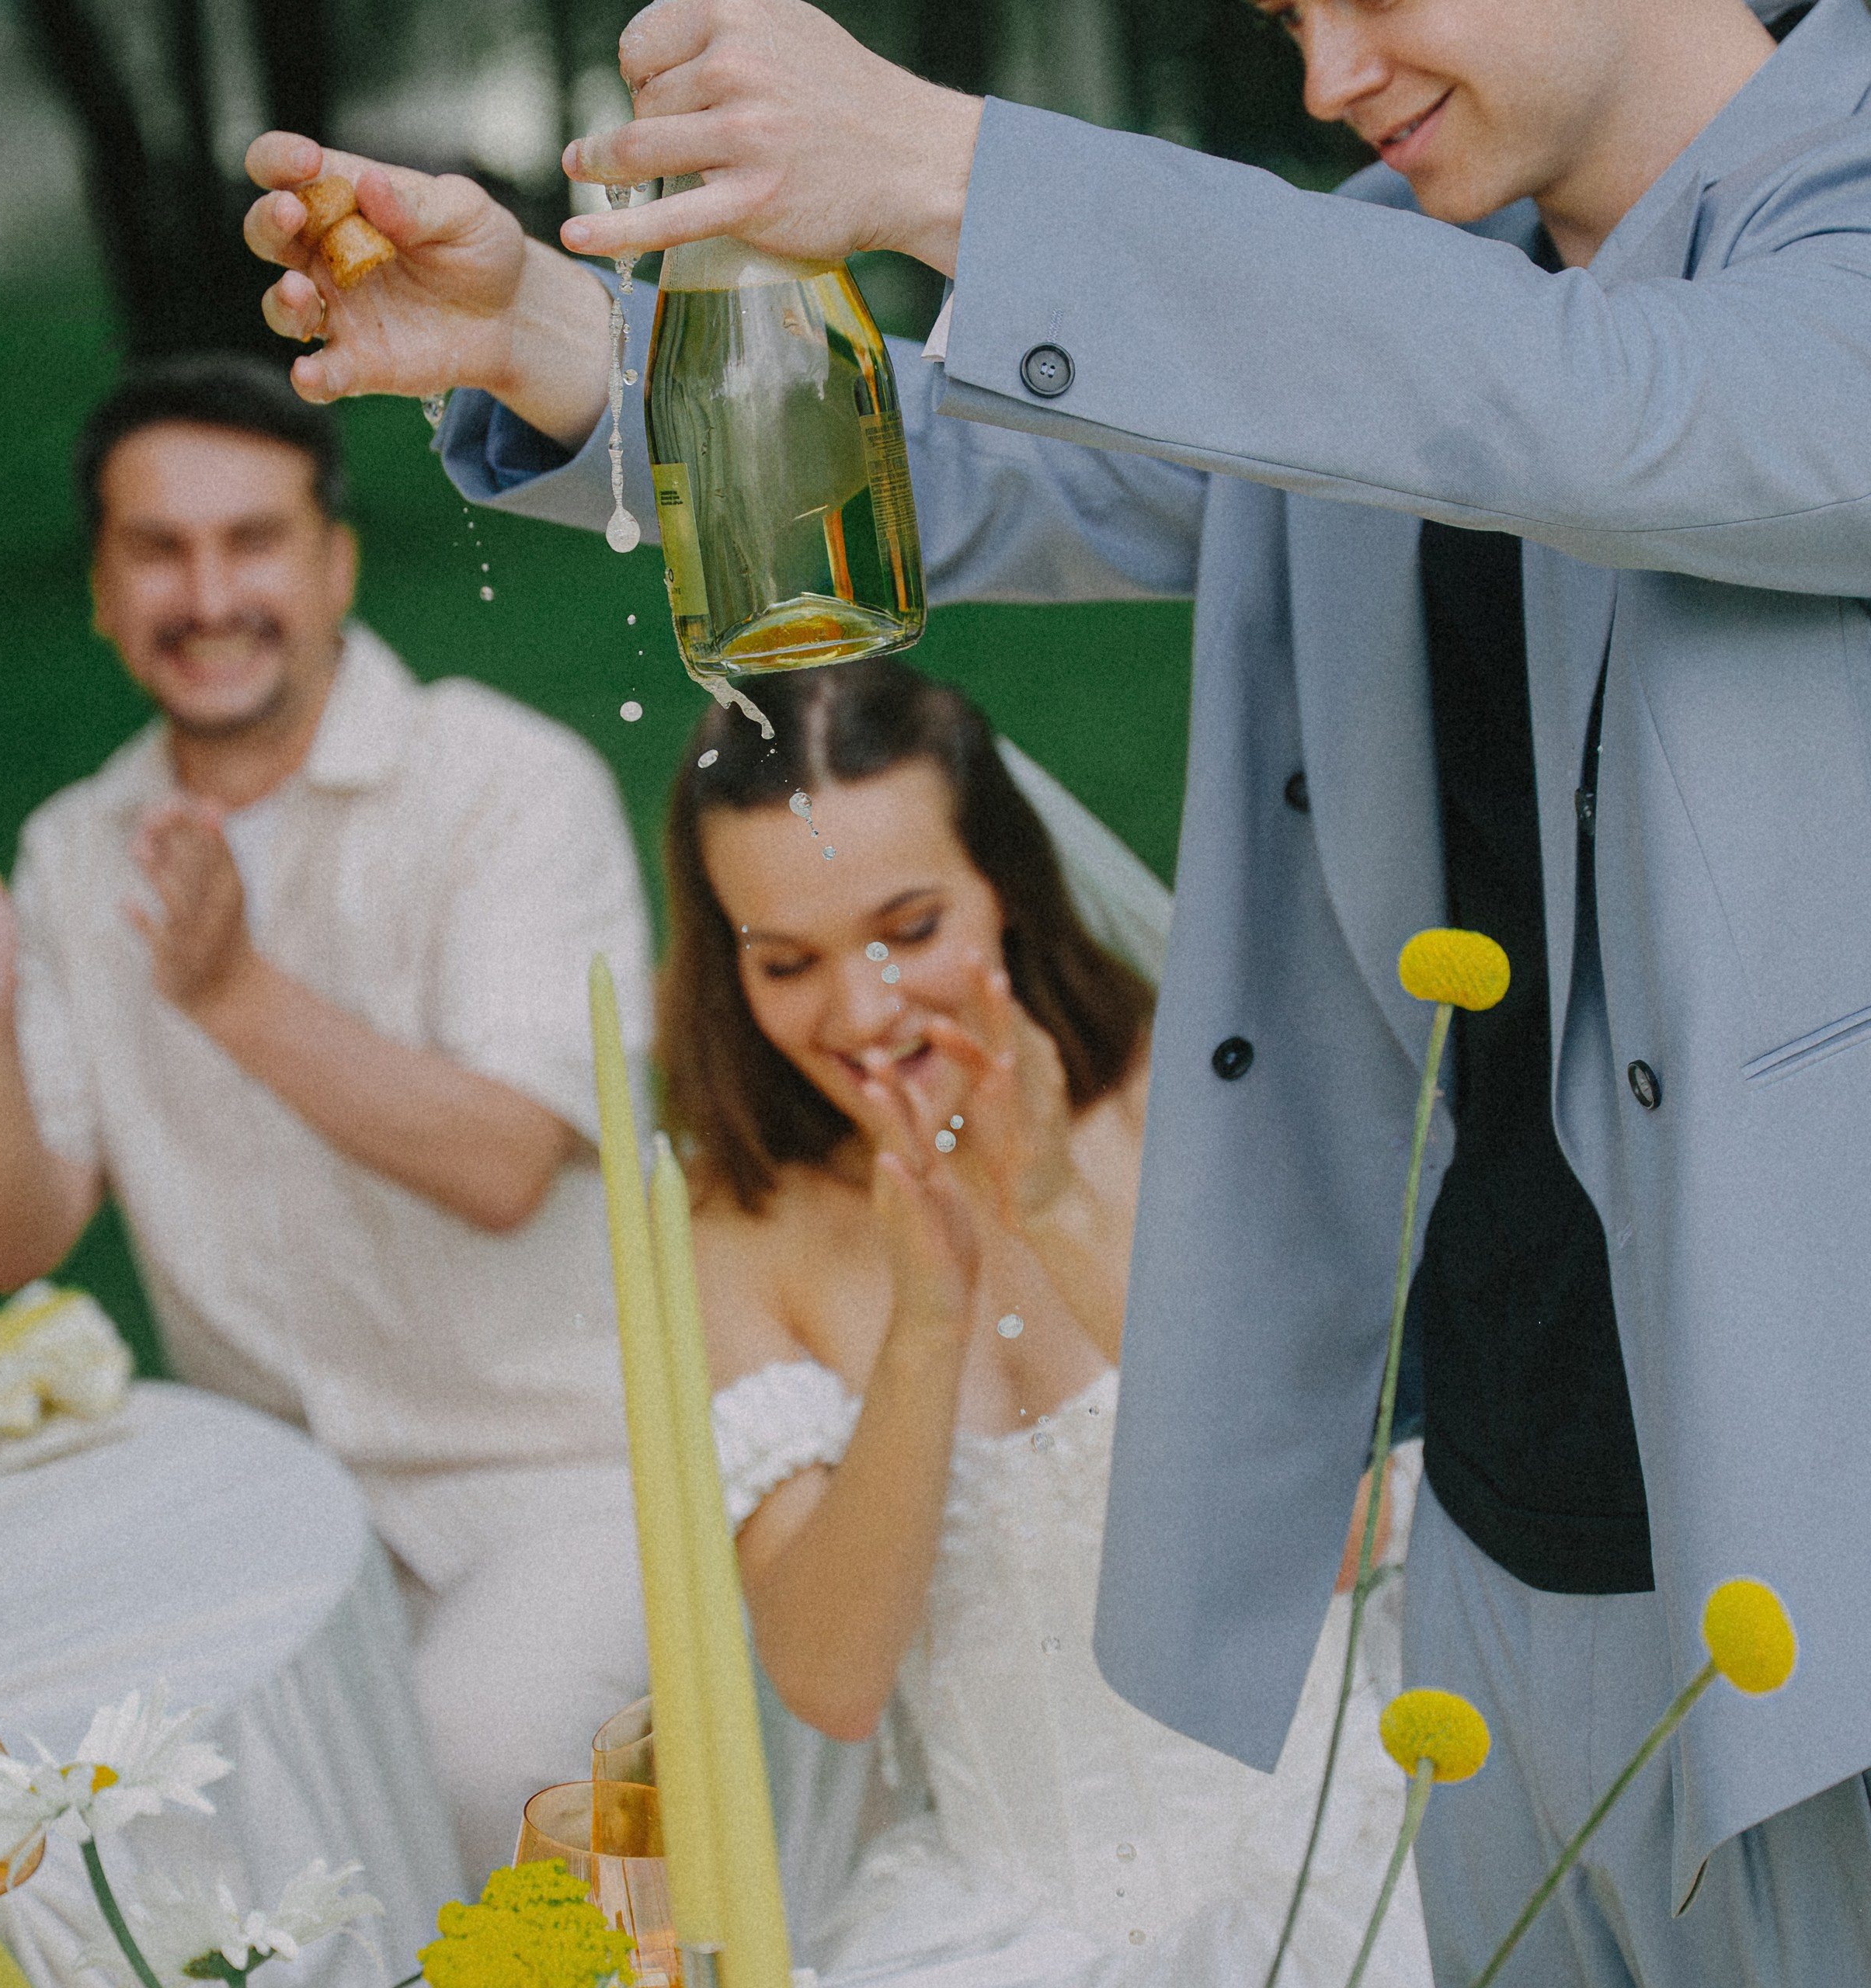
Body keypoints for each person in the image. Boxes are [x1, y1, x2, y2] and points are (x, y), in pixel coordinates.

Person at [237, 0, 1871, 1976]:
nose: (1324, 78)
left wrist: (943, 167)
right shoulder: (1387, 284)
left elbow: (1611, 410)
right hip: (1488, 1555)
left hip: (1817, 1570)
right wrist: (562, 345)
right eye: (1284, 16)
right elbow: (1002, 460)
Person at [0, 355, 653, 1884]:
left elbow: (505, 1162)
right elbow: (16, 1238)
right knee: (77, 1804)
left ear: (335, 564)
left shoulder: (505, 785)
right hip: (272, 1505)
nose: (208, 593)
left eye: (252, 541)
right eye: (157, 550)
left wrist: (231, 992)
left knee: (469, 1763)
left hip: (567, 1471)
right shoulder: (74, 847)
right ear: (101, 592)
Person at [665, 655, 1427, 1986]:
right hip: (999, 1928)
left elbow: (1344, 1533)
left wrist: (1058, 1215)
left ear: (1002, 885)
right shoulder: (742, 1233)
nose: (862, 1010)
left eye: (909, 929)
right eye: (787, 962)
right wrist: (924, 1325)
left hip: (1350, 1864)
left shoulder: (1192, 1091)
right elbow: (833, 1681)